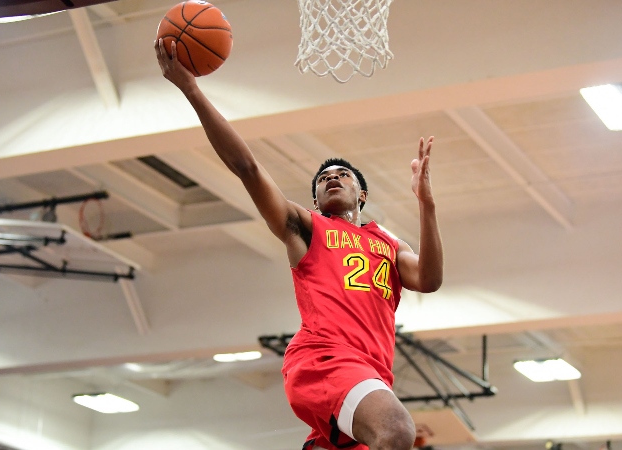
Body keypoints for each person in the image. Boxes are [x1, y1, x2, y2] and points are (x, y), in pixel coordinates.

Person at [155, 38, 444, 450]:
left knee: (384, 434)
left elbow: (430, 280)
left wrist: (426, 204)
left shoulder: (388, 243)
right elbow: (247, 167)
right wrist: (192, 90)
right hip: (323, 361)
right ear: (315, 201)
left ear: (361, 195)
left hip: (370, 373)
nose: (332, 178)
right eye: (324, 178)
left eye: (343, 174)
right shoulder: (307, 228)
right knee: (397, 431)